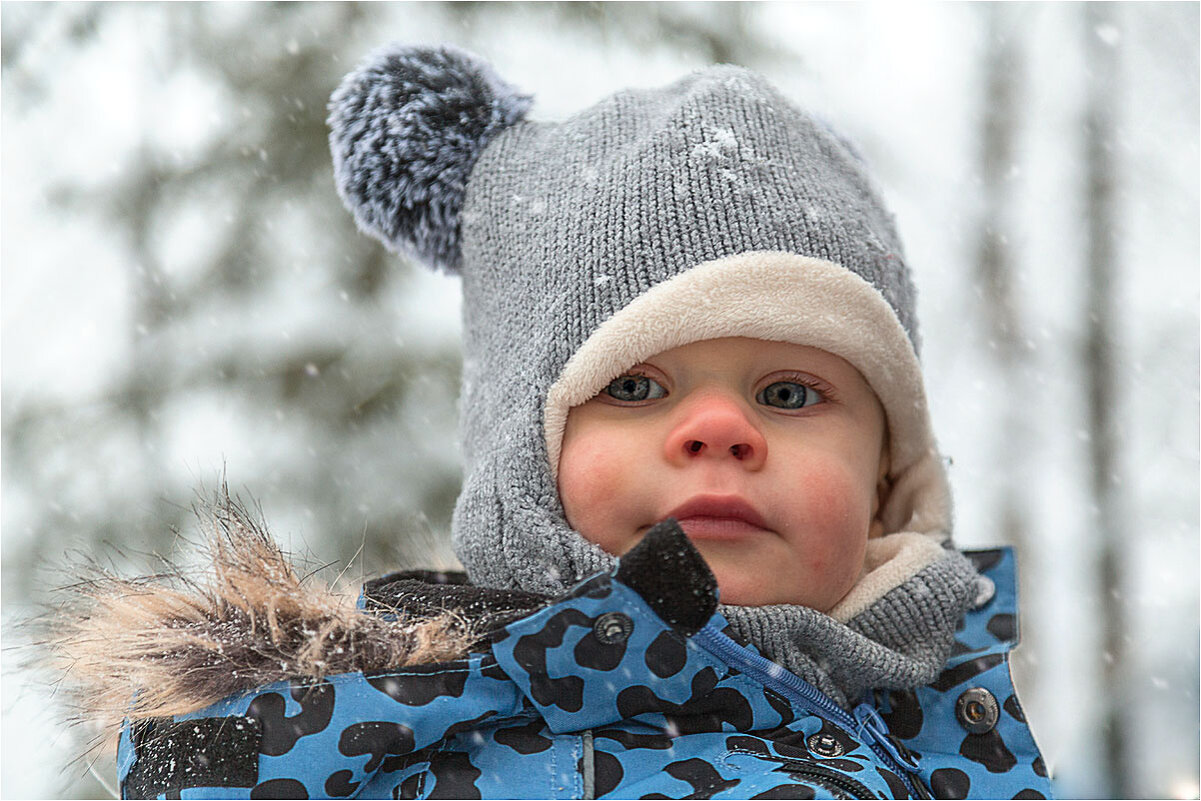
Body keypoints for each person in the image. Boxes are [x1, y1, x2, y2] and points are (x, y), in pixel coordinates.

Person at [68, 44, 1053, 799]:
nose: (719, 430)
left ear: (891, 478)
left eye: (788, 395)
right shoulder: (409, 758)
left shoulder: (955, 737)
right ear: (521, 463)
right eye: (634, 387)